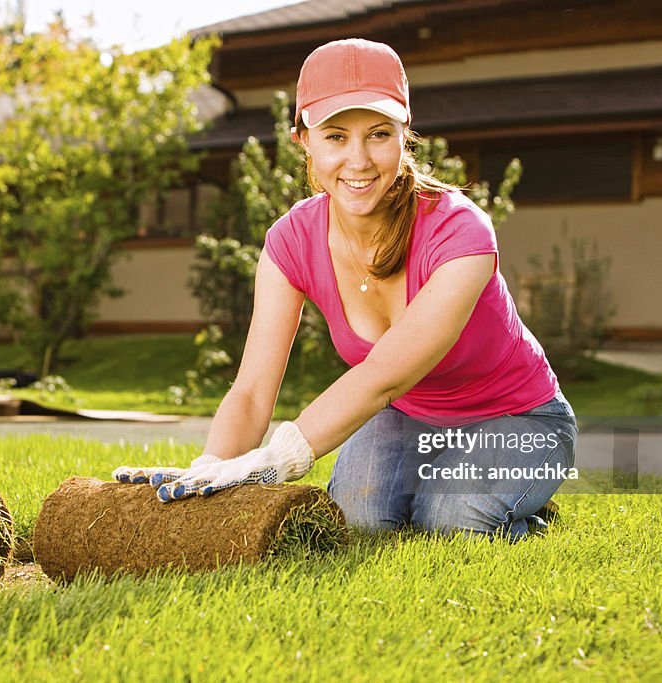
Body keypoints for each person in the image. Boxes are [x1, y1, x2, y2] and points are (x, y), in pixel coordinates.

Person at [114, 38, 577, 540]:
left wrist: (277, 459)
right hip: (409, 417)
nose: (358, 161)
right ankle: (463, 491)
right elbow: (250, 392)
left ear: (405, 135)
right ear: (303, 140)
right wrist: (210, 468)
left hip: (518, 419)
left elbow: (382, 375)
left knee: (452, 522)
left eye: (379, 134)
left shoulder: (461, 232)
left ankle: (518, 510)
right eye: (336, 136)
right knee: (356, 525)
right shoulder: (290, 240)